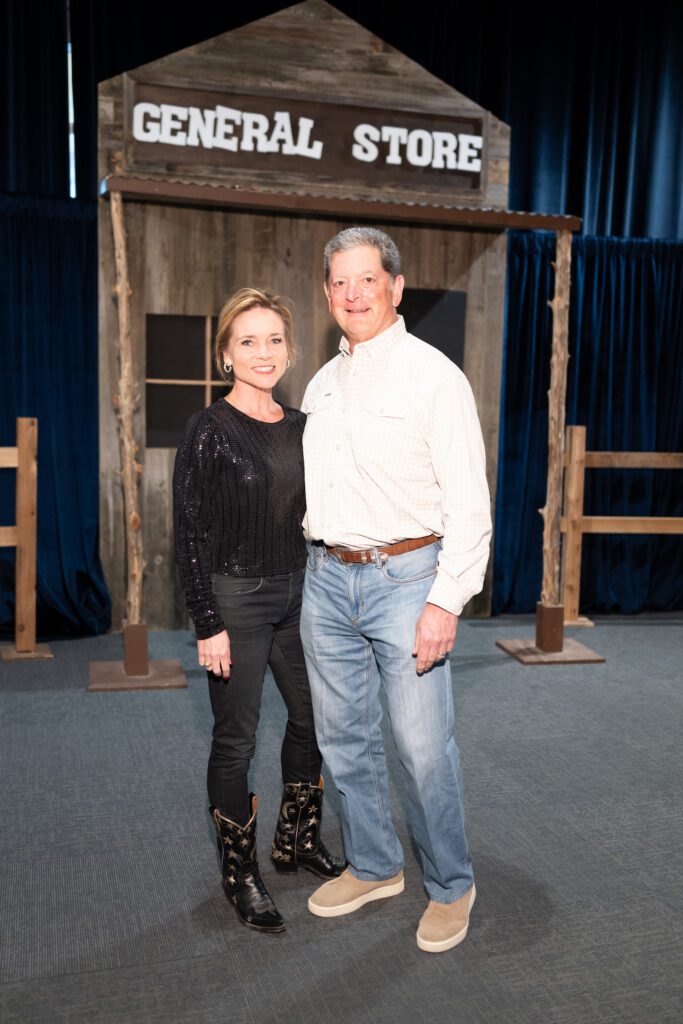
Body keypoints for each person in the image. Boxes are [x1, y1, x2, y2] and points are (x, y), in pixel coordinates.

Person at [299, 228, 491, 953]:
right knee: (343, 739)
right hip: (326, 580)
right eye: (339, 283)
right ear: (326, 294)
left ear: (395, 286)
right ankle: (375, 864)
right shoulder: (320, 382)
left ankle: (451, 884)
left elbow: (468, 503)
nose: (352, 294)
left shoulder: (433, 377)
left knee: (420, 746)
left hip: (408, 581)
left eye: (366, 280)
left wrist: (445, 601)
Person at [173, 287, 344, 935]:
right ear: (225, 354)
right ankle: (239, 874)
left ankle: (295, 839)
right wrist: (206, 622)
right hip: (235, 600)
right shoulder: (208, 430)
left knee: (311, 718)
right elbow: (187, 534)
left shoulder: (304, 427)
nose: (263, 352)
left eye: (274, 339)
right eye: (247, 340)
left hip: (302, 593)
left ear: (290, 349)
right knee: (235, 739)